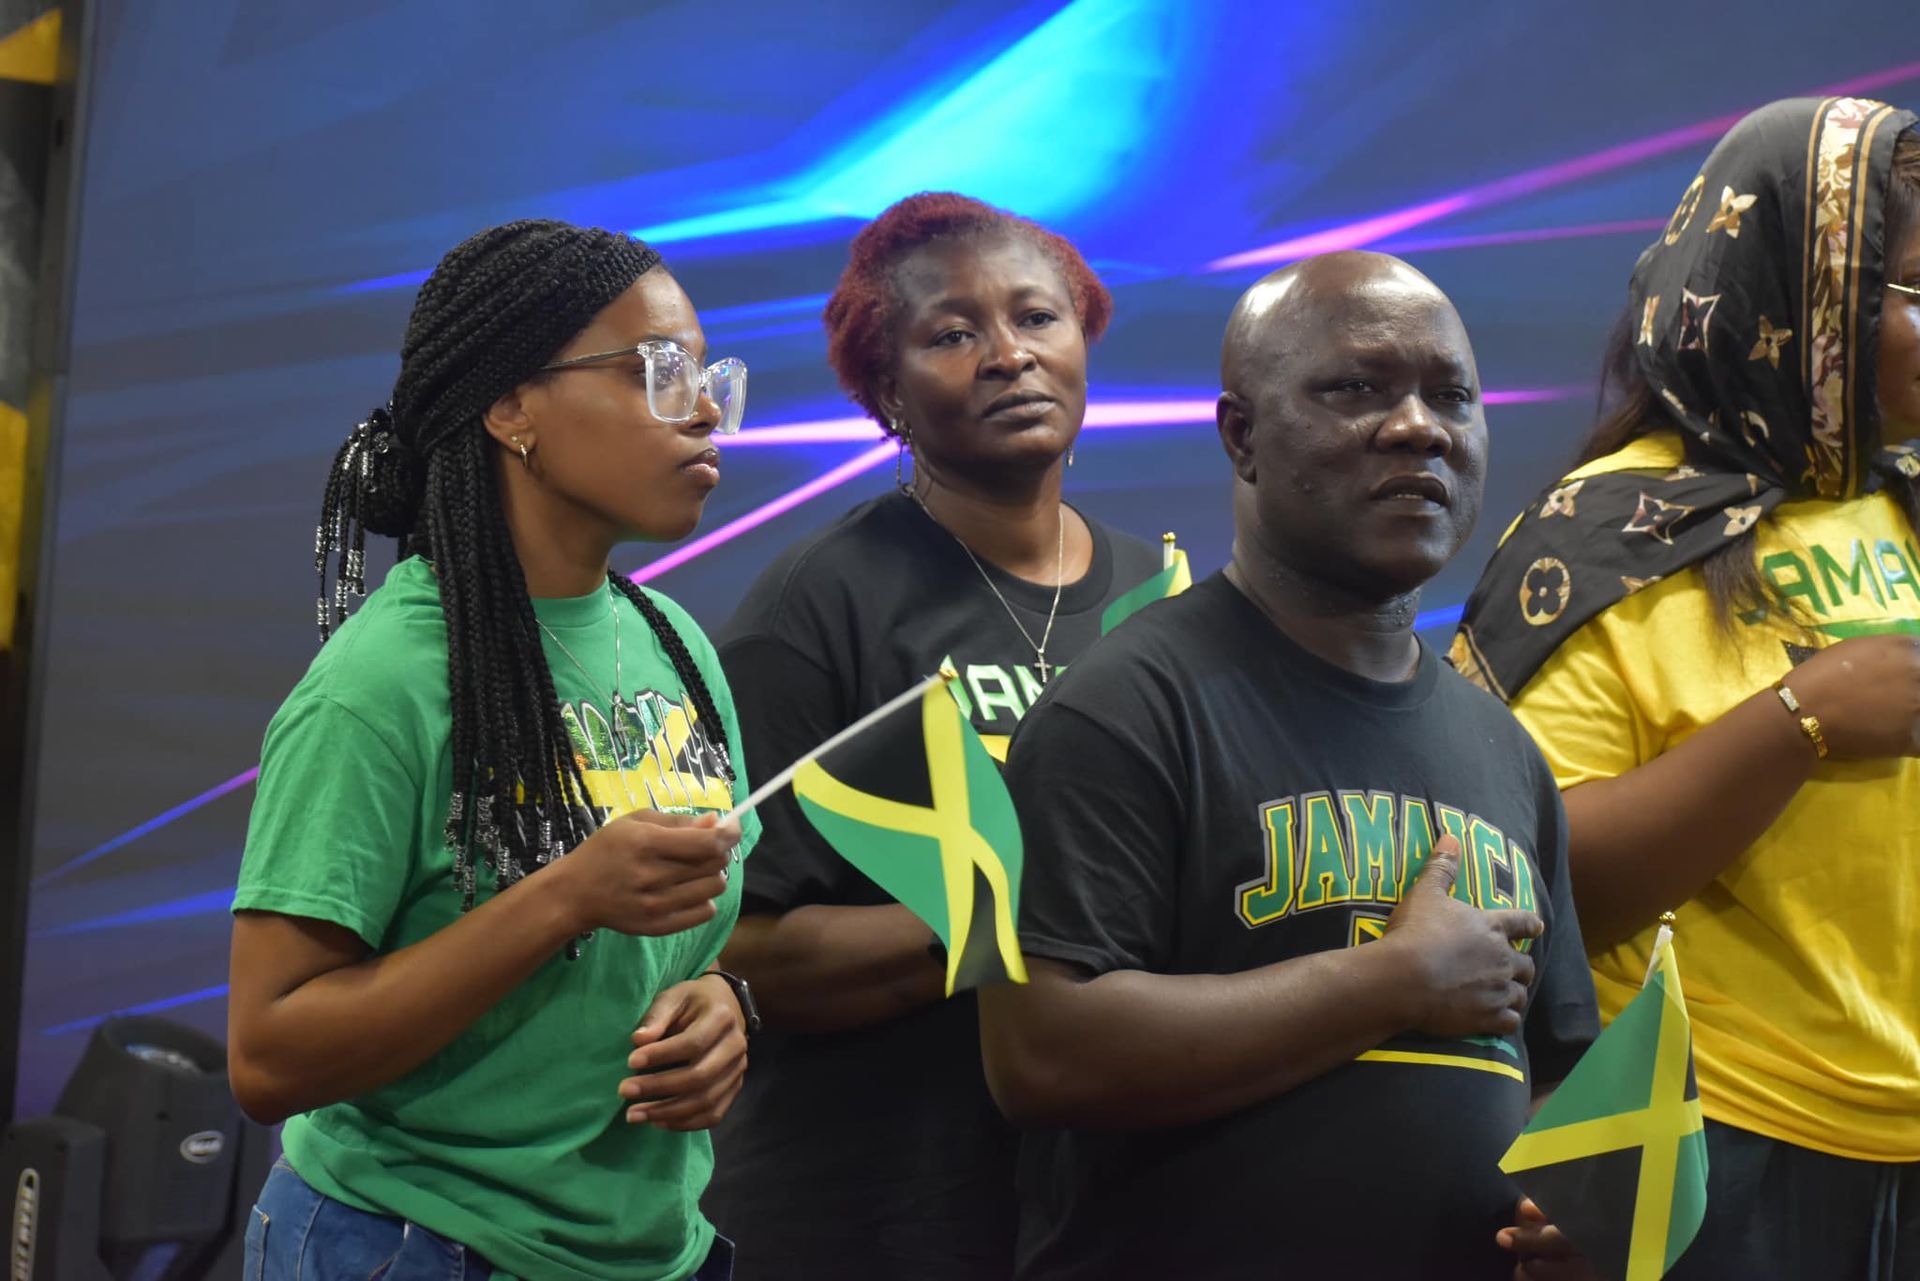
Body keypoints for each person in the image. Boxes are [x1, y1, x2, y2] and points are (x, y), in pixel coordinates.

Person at [975, 250, 1599, 1281]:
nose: (1416, 427)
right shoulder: (1127, 706)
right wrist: (1391, 981)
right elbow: (1042, 1050)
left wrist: (1577, 1206)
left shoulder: (1504, 750)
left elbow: (1551, 1067)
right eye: (1356, 389)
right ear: (1242, 436)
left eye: (1451, 396)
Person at [228, 220, 760, 1280]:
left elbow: (685, 952)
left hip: (647, 1249)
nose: (704, 408)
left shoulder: (676, 647)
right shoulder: (385, 685)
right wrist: (564, 897)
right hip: (414, 1245)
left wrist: (724, 1007)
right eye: (657, 370)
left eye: (710, 375)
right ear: (513, 410)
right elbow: (269, 1051)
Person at [1454, 96, 1920, 1280]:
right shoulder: (1599, 539)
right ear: (1808, 300)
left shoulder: (1902, 496)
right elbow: (1533, 884)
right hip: (1720, 1132)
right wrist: (1797, 722)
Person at [702, 192, 1164, 1279]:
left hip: (1100, 1205)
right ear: (886, 390)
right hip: (871, 1212)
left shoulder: (1168, 596)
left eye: (1038, 318)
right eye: (953, 334)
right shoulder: (817, 609)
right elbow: (736, 951)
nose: (1008, 355)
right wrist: (1010, 905)